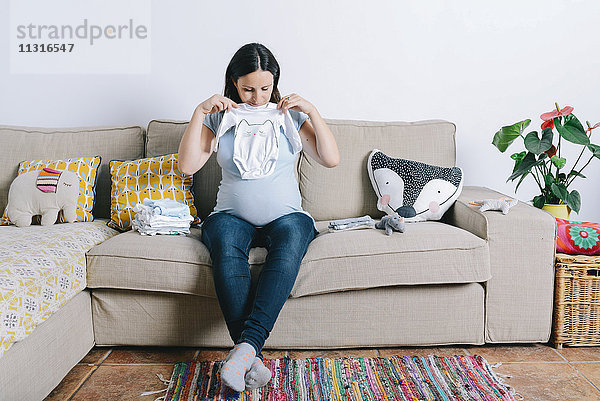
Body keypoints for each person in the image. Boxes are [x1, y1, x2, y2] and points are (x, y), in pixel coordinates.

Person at [177, 42, 339, 393]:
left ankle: (244, 351)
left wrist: (312, 110)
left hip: (287, 218)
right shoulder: (221, 118)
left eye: (264, 88)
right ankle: (250, 353)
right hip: (230, 217)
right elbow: (187, 166)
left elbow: (330, 159)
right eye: (248, 88)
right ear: (234, 82)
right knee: (223, 241)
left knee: (295, 236)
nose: (256, 96)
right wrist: (198, 113)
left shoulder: (290, 117)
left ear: (275, 83)